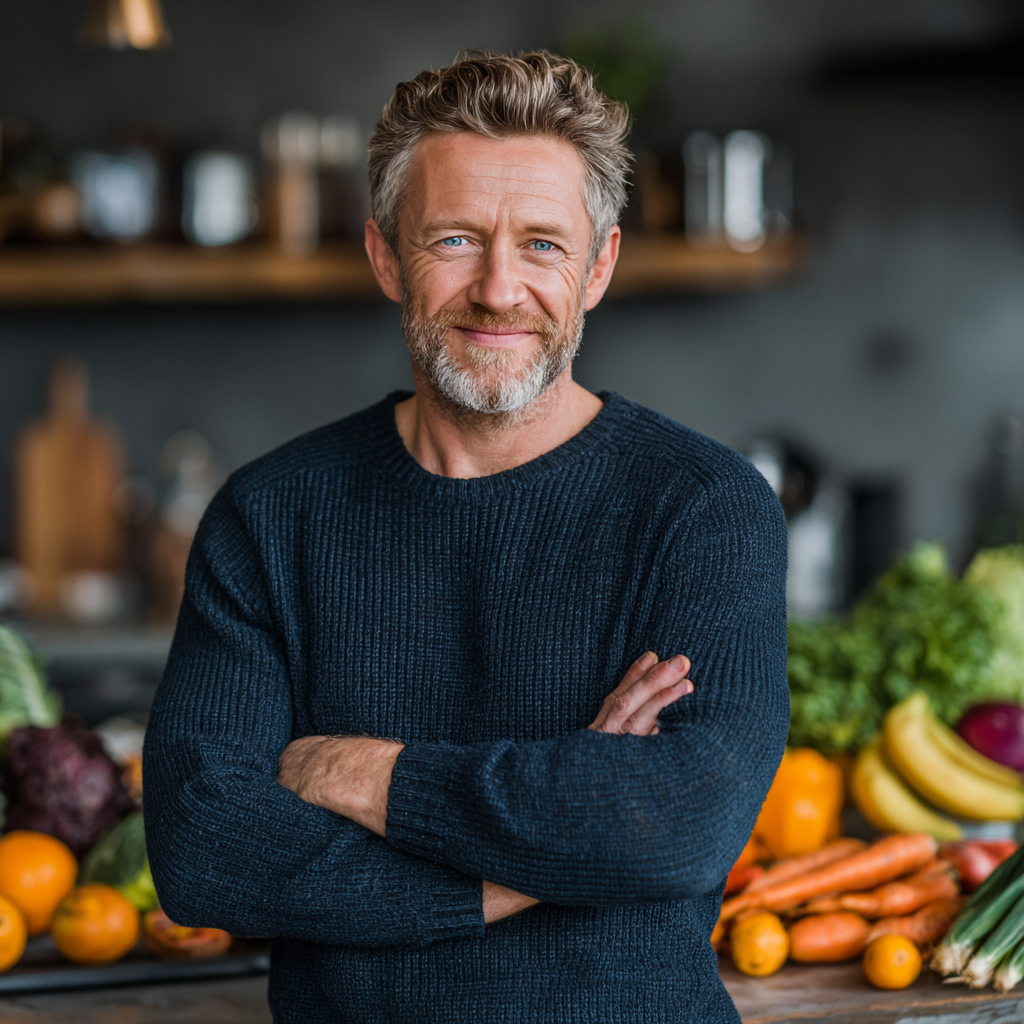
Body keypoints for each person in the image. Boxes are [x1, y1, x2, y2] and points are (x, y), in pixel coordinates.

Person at [144, 50, 789, 1024]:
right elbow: (203, 851)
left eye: (541, 244)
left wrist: (362, 772)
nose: (497, 289)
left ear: (599, 267)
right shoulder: (272, 515)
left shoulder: (702, 506)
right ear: (384, 255)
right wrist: (527, 860)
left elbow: (679, 822)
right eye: (453, 239)